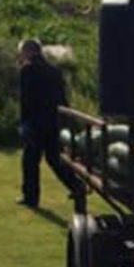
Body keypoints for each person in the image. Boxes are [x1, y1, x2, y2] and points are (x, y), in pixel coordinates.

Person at [17, 38, 84, 210]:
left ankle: (31, 197)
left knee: (30, 161)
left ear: (28, 51)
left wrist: (24, 123)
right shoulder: (54, 71)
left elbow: (26, 100)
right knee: (54, 159)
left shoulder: (27, 70)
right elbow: (62, 99)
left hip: (36, 122)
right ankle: (76, 186)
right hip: (53, 121)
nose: (20, 55)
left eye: (22, 52)